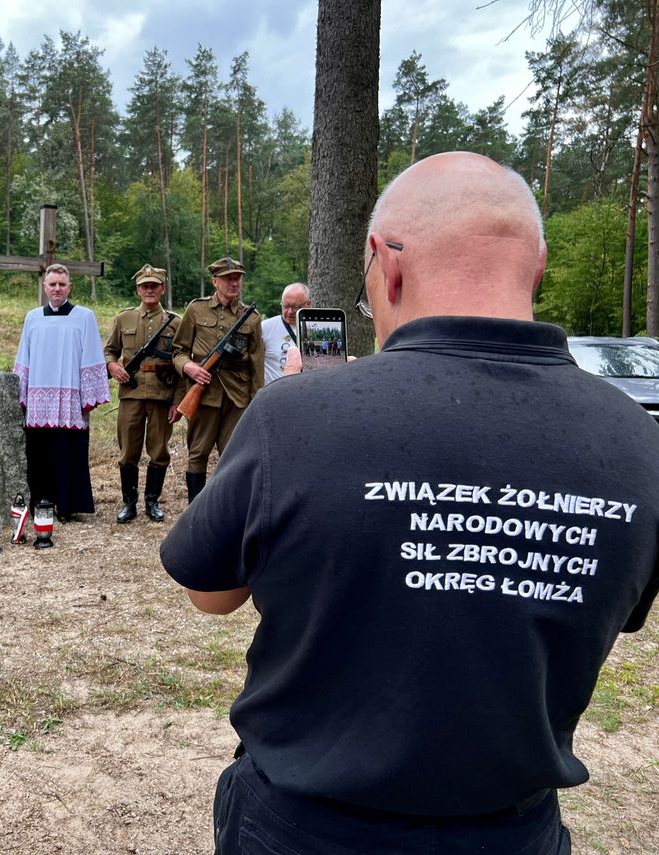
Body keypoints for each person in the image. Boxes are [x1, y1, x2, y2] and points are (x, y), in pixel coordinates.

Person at [160, 152, 659, 855]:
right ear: (537, 266)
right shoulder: (638, 440)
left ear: (385, 265)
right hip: (512, 831)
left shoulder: (294, 417)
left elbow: (209, 592)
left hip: (306, 828)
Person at [13, 263, 110, 520]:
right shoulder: (32, 317)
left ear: (70, 287)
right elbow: (25, 355)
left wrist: (88, 396)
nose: (57, 289)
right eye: (52, 284)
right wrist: (21, 391)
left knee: (67, 451)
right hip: (39, 400)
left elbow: (91, 355)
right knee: (40, 453)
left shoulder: (84, 317)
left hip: (70, 399)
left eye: (62, 284)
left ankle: (67, 505)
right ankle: (42, 503)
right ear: (45, 287)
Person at [172, 256, 264, 503]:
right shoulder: (195, 310)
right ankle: (195, 509)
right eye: (228, 279)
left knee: (233, 456)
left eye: (237, 278)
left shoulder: (251, 318)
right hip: (203, 393)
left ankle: (226, 509)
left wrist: (256, 402)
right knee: (198, 452)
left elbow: (256, 363)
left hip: (237, 397)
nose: (234, 283)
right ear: (215, 281)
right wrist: (190, 368)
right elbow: (178, 352)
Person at [103, 264, 180, 523]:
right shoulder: (124, 319)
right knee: (128, 452)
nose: (149, 290)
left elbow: (181, 361)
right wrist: (113, 366)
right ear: (138, 290)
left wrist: (178, 402)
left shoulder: (174, 322)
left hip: (161, 395)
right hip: (131, 395)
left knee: (158, 451)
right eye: (145, 286)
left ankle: (152, 501)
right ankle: (129, 503)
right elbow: (109, 350)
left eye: (154, 286)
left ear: (162, 289)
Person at [260, 282, 311, 384]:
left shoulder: (316, 326)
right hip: (276, 394)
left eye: (295, 307)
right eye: (286, 306)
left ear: (308, 304)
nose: (290, 312)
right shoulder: (265, 328)